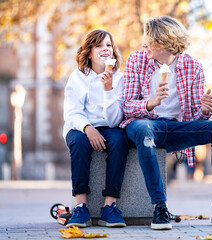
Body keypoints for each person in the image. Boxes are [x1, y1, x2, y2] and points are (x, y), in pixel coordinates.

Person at [121, 15, 212, 230]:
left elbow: (195, 117)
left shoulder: (193, 67)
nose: (143, 44)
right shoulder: (136, 60)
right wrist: (151, 103)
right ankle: (160, 206)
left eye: (149, 39)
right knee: (142, 128)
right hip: (146, 126)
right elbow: (126, 106)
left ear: (166, 42)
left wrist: (205, 110)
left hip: (176, 128)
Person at [63, 29, 128, 228]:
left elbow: (115, 119)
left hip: (109, 126)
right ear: (89, 52)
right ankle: (81, 206)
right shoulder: (78, 77)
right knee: (80, 143)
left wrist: (108, 89)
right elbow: (72, 112)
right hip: (80, 126)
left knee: (119, 140)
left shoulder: (120, 78)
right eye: (99, 45)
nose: (105, 49)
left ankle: (109, 206)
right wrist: (87, 128)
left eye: (108, 45)